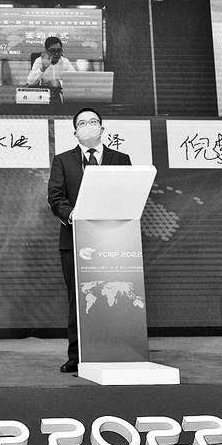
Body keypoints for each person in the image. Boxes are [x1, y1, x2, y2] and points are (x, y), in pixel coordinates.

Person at [47, 107, 131, 373]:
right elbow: (55, 196)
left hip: (114, 240)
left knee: (115, 293)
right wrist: (71, 215)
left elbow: (128, 194)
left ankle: (119, 349)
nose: (88, 126)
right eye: (82, 123)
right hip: (74, 239)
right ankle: (77, 354)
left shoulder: (121, 159)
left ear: (102, 128)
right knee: (79, 298)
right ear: (75, 132)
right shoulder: (63, 160)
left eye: (93, 122)